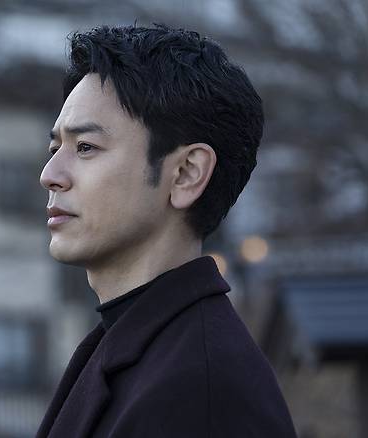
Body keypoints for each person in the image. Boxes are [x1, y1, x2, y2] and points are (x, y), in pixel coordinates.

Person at [37, 24, 297, 438]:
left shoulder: (202, 391)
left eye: (85, 147)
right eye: (55, 148)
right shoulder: (132, 348)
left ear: (186, 173)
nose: (50, 175)